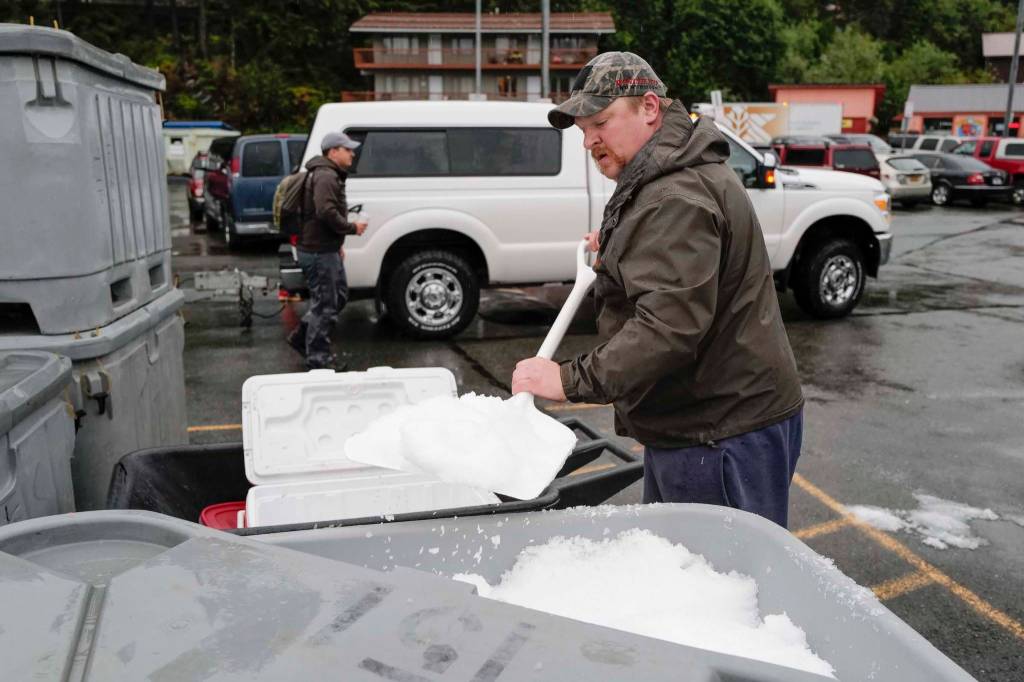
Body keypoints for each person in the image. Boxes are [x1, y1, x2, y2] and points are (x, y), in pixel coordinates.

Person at [511, 52, 804, 527]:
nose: (589, 141)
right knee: (692, 576)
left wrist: (566, 381)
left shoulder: (673, 196)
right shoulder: (669, 175)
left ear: (649, 107)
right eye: (583, 129)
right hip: (713, 422)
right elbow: (676, 262)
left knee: (714, 588)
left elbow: (667, 329)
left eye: (600, 122)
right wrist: (621, 246)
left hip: (717, 434)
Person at [285, 131, 367, 371]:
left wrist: (337, 244)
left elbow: (323, 214)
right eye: (347, 149)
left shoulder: (328, 174)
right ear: (333, 152)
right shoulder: (325, 176)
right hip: (318, 251)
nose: (352, 153)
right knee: (326, 305)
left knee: (337, 298)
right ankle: (318, 359)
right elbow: (326, 212)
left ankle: (301, 337)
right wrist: (352, 227)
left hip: (325, 248)